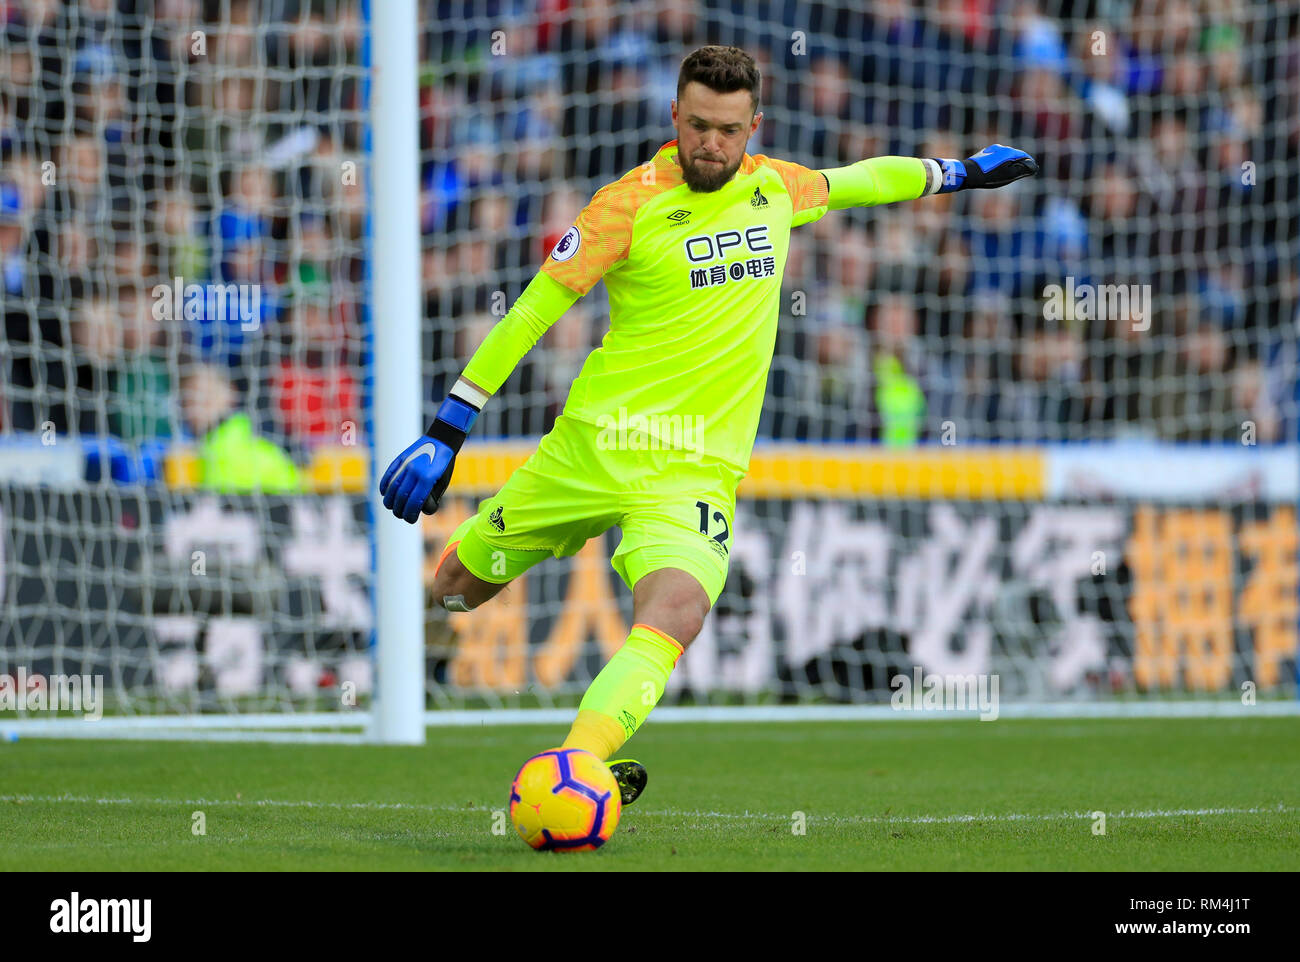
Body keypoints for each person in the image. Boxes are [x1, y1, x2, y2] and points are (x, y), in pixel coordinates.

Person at [379, 45, 1036, 805]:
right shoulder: (623, 204)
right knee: (455, 588)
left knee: (678, 610)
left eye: (728, 130)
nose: (712, 145)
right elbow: (532, 312)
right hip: (594, 444)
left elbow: (863, 182)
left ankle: (578, 768)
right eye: (697, 126)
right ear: (674, 118)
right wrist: (447, 429)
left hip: (694, 471)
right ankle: (431, 659)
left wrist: (957, 172)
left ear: (754, 125)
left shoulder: (776, 189)